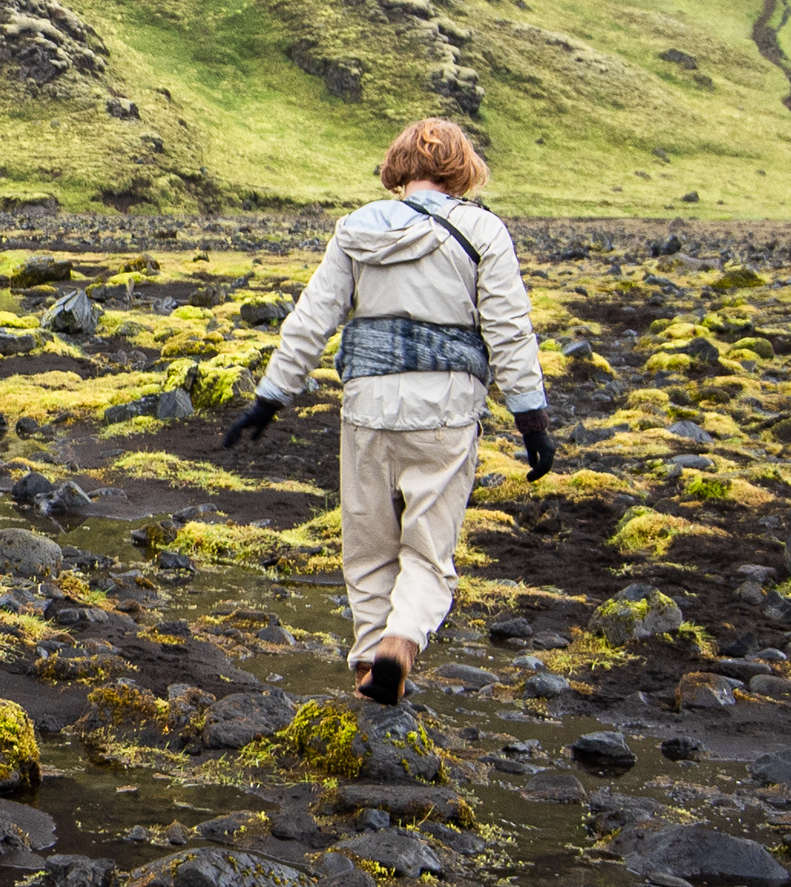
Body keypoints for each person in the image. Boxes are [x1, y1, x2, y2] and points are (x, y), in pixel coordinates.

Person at [221, 117, 551, 703]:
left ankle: (367, 670)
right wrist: (532, 419)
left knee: (368, 549)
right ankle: (399, 645)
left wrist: (271, 396)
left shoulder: (356, 229)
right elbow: (510, 332)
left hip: (368, 410)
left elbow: (311, 320)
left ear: (399, 167)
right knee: (428, 551)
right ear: (462, 170)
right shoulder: (484, 233)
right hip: (446, 413)